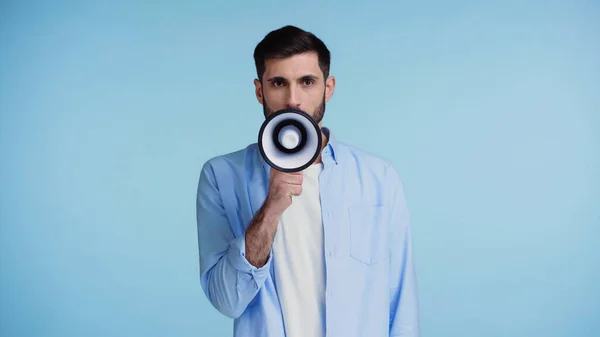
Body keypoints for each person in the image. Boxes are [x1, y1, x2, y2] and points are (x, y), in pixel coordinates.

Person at [196, 25, 419, 337]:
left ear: (328, 88)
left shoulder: (378, 178)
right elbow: (226, 301)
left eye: (307, 82)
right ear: (260, 90)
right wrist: (271, 210)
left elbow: (400, 300)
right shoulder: (220, 176)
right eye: (278, 83)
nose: (293, 99)